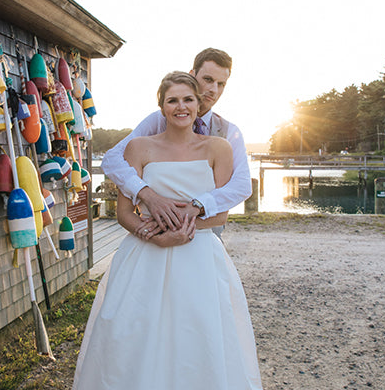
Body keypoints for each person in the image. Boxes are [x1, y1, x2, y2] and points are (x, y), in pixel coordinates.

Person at [73, 72, 262, 389]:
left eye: (188, 99)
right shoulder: (138, 148)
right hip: (144, 254)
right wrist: (154, 236)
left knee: (198, 334)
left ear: (198, 105)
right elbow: (123, 212)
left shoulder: (219, 148)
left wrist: (181, 231)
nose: (181, 107)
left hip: (199, 255)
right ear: (160, 107)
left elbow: (220, 215)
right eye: (172, 100)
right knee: (134, 333)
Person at [101, 48, 251, 235]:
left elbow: (242, 186)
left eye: (221, 84)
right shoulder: (158, 120)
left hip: (206, 236)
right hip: (155, 235)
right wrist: (147, 194)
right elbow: (112, 159)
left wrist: (197, 206)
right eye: (208, 79)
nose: (213, 89)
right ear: (192, 74)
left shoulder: (229, 133)